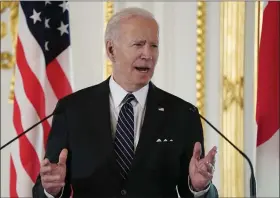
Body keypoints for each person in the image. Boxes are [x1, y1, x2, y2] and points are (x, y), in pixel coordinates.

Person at [33, 7, 218, 198]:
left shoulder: (183, 114)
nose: (148, 54)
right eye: (138, 44)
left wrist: (199, 188)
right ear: (111, 50)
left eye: (154, 45)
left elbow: (194, 189)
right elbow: (43, 189)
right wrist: (51, 190)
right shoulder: (71, 110)